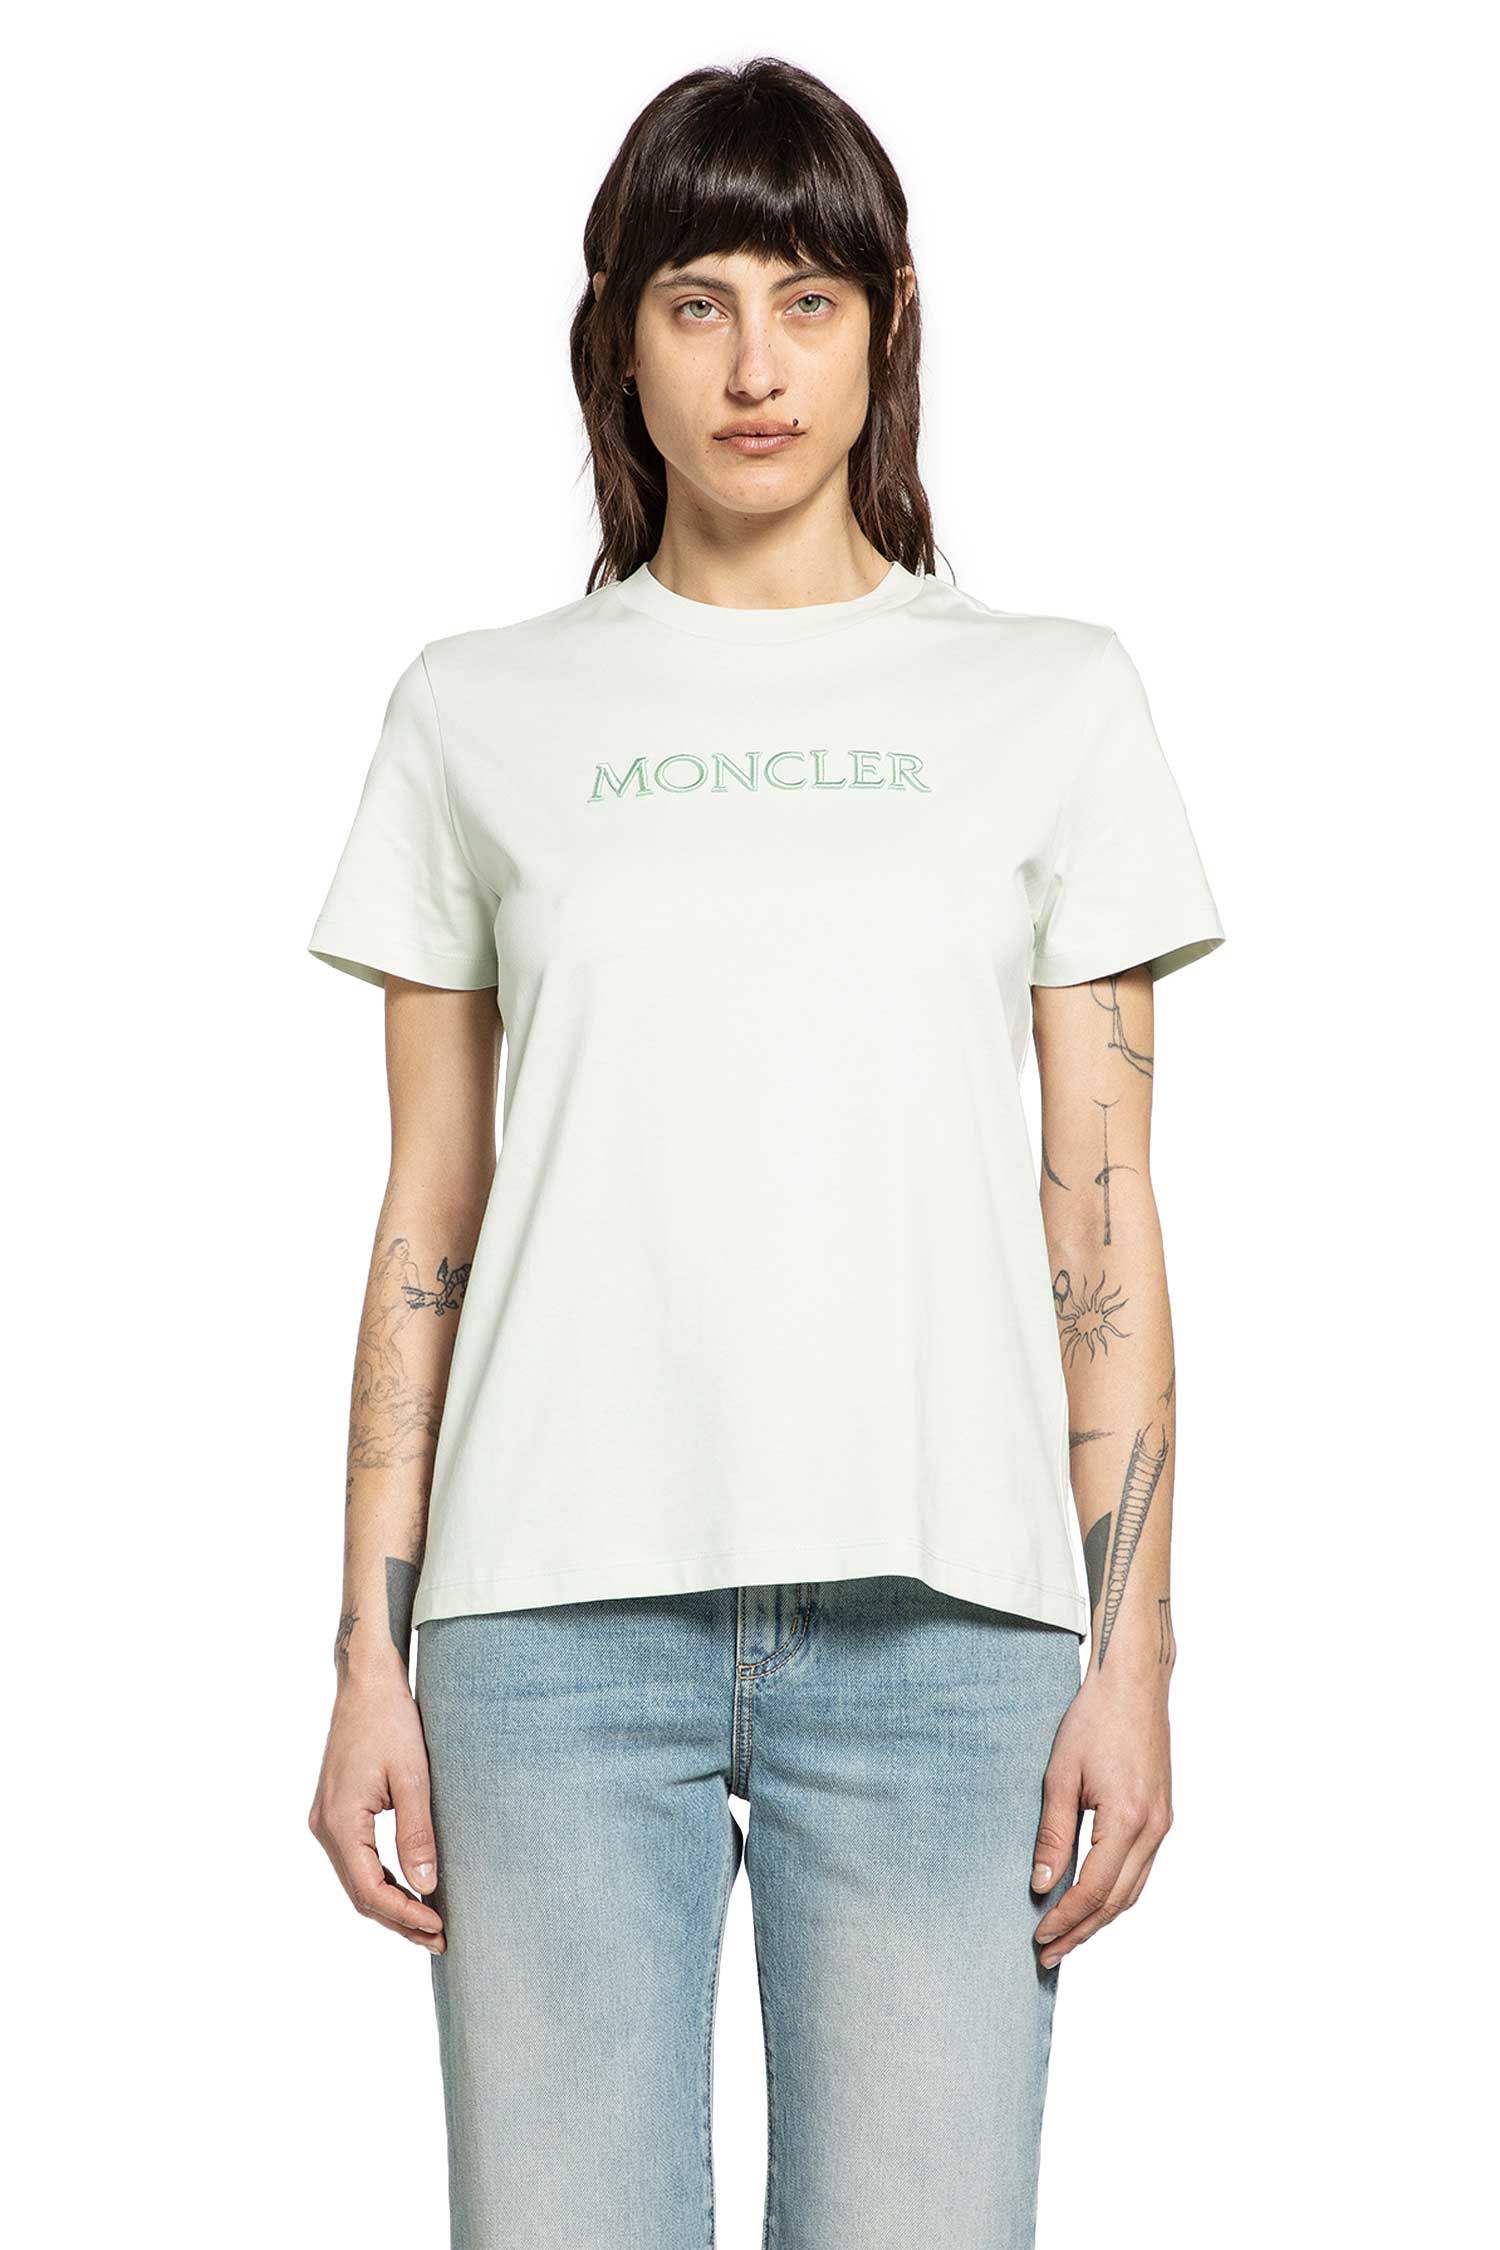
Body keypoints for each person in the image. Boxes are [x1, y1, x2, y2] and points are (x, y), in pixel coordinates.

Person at [305, 54, 1225, 2250]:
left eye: (807, 301)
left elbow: (1100, 1215)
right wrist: (365, 1654)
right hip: (543, 1632)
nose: (754, 365)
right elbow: (430, 1214)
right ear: (617, 338)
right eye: (697, 299)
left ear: (885, 329)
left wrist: (1135, 1660)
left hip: (948, 1629)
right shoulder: (475, 710)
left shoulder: (1053, 698)